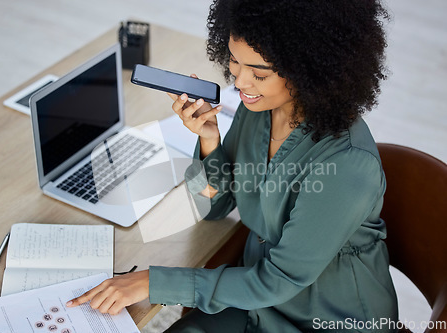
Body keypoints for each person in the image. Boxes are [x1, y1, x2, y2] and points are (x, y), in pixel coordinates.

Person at [67, 0, 399, 331]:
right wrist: (210, 140)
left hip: (328, 318)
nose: (239, 82)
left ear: (310, 70)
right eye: (235, 62)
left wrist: (153, 283)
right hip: (251, 297)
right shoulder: (258, 112)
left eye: (258, 73)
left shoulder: (347, 166)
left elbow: (277, 280)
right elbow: (214, 206)